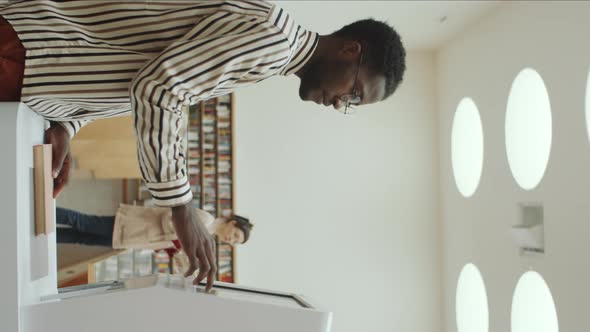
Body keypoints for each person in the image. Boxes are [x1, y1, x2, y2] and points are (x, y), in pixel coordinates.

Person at [0, 0, 406, 291]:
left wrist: (67, 123)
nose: (340, 104)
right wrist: (180, 206)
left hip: (39, 67)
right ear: (350, 51)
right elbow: (159, 88)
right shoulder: (273, 41)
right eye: (353, 93)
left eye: (351, 105)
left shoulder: (272, 44)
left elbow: (128, 72)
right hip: (29, 54)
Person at [56, 205, 253, 248]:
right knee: (81, 222)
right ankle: (39, 209)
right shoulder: (206, 219)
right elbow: (171, 215)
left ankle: (39, 232)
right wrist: (178, 240)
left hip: (132, 238)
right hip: (133, 226)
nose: (232, 240)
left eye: (236, 242)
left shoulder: (207, 236)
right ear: (232, 223)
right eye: (235, 235)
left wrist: (173, 250)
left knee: (80, 237)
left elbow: (174, 236)